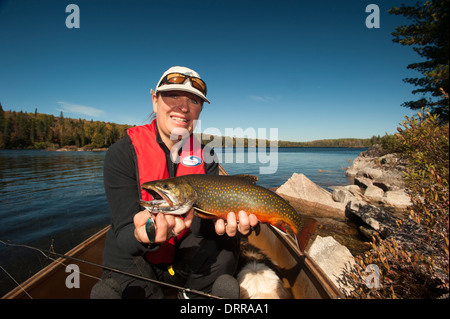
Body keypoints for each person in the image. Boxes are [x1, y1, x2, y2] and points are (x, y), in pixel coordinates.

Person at [92, 66, 258, 299]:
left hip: (184, 255)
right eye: (173, 96)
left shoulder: (207, 155)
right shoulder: (121, 153)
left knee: (227, 246)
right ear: (155, 100)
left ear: (200, 110)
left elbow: (203, 228)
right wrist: (144, 234)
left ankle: (190, 296)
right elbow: (125, 236)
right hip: (135, 258)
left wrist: (222, 221)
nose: (184, 107)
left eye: (194, 101)